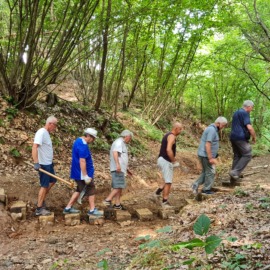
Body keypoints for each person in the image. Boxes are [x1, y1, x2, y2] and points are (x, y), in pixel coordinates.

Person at [63, 128, 102, 216]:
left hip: (78, 171)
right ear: (88, 136)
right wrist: (85, 176)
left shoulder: (78, 140)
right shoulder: (83, 145)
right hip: (81, 173)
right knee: (91, 188)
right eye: (93, 138)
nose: (93, 141)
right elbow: (82, 161)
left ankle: (68, 208)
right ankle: (92, 210)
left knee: (79, 189)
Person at [191, 117, 228, 195]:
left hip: (204, 154)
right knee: (210, 172)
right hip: (205, 155)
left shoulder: (213, 129)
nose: (223, 127)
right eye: (223, 125)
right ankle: (206, 190)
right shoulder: (212, 130)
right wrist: (210, 157)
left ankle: (195, 184)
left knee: (206, 172)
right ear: (218, 123)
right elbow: (208, 144)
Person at [32, 115, 58, 216]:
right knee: (44, 185)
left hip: (48, 163)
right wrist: (36, 162)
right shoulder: (41, 132)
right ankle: (39, 208)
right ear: (50, 124)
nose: (55, 128)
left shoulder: (46, 133)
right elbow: (35, 147)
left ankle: (41, 200)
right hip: (43, 164)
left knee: (53, 181)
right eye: (55, 125)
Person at [103, 130, 133, 210]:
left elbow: (122, 157)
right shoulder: (118, 142)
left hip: (121, 169)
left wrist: (126, 169)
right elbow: (115, 152)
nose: (130, 140)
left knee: (119, 186)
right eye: (130, 138)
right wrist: (117, 165)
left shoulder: (121, 143)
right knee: (119, 185)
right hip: (117, 168)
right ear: (126, 136)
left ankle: (117, 204)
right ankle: (108, 200)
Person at [155, 122, 183, 206]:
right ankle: (165, 201)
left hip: (162, 159)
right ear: (176, 128)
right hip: (165, 160)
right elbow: (168, 150)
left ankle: (157, 193)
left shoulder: (167, 135)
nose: (181, 131)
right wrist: (174, 161)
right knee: (168, 182)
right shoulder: (171, 136)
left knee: (166, 178)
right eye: (180, 129)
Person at [229, 100, 256, 182]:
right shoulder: (245, 113)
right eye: (251, 108)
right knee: (247, 154)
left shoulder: (236, 113)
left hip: (233, 137)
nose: (251, 109)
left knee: (238, 155)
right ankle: (235, 172)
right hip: (241, 137)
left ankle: (233, 178)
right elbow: (249, 127)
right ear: (248, 107)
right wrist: (254, 137)